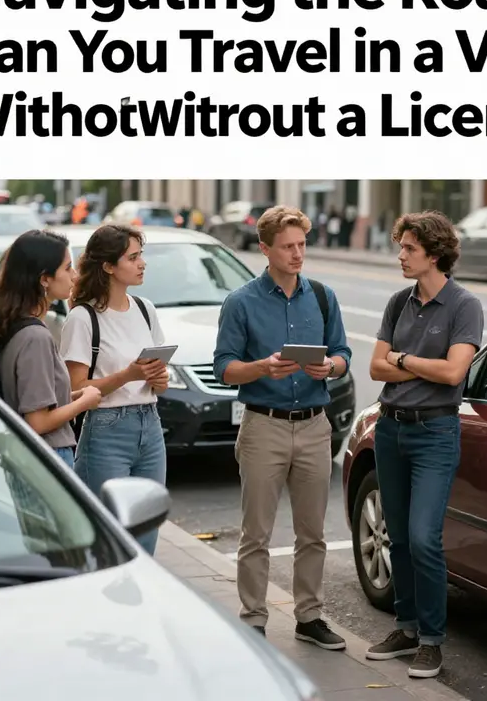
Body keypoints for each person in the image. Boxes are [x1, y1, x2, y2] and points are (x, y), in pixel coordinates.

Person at [213, 205, 352, 648]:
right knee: (256, 533)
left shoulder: (324, 297)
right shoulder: (241, 302)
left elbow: (345, 354)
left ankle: (309, 617)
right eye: (288, 246)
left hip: (314, 426)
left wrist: (330, 367)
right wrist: (261, 368)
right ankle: (252, 618)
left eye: (302, 245)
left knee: (313, 533)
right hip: (263, 426)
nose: (297, 254)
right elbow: (224, 369)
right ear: (265, 249)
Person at [365, 211, 484, 679]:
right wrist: (419, 363)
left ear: (434, 254)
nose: (401, 255)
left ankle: (432, 640)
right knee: (398, 537)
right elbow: (376, 367)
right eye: (401, 247)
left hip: (435, 432)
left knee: (423, 538)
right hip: (391, 428)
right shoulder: (399, 302)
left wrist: (402, 359)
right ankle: (407, 627)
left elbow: (455, 373)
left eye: (409, 249)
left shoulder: (463, 305)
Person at [59, 224, 169, 554]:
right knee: (108, 536)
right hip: (106, 431)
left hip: (150, 426)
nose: (142, 263)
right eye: (132, 257)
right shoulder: (83, 317)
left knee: (147, 529)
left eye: (141, 256)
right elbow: (75, 389)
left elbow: (157, 379)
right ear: (108, 266)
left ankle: (140, 601)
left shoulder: (145, 309)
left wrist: (157, 380)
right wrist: (128, 375)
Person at [0, 229, 102, 468]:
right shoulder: (35, 337)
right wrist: (85, 401)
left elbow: (33, 398)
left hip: (28, 457)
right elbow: (37, 421)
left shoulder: (14, 327)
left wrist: (73, 397)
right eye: (67, 268)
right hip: (48, 458)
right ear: (44, 279)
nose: (75, 276)